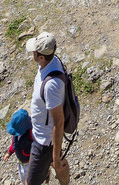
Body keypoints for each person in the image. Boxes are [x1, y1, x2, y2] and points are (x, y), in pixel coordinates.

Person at [24, 32, 71, 185]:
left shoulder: (51, 86)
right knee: (58, 163)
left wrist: (55, 157)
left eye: (34, 52)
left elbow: (59, 122)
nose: (32, 53)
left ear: (41, 56)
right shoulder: (53, 61)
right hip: (44, 135)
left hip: (43, 142)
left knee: (30, 183)